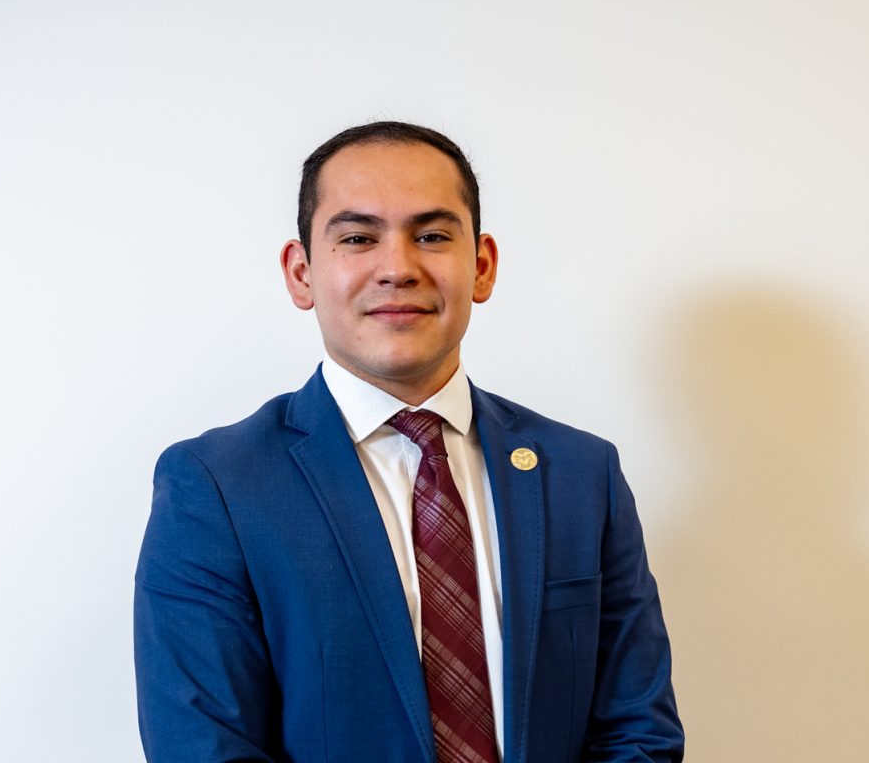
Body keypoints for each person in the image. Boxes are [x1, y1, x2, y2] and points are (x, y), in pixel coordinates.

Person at [134, 121, 683, 762]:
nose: (397, 267)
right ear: (301, 272)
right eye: (359, 237)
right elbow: (202, 748)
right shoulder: (217, 485)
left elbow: (637, 733)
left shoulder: (582, 474)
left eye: (431, 235)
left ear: (480, 266)